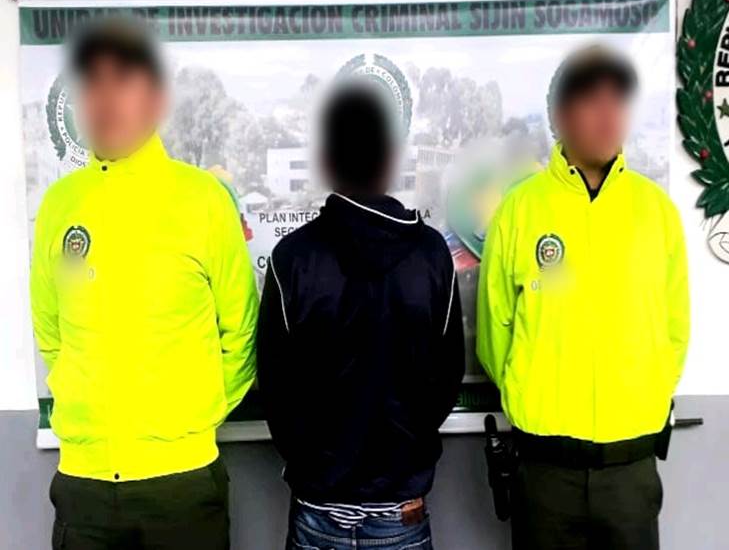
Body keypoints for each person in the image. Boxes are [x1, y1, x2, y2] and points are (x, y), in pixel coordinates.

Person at [30, 18, 258, 550]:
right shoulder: (60, 205)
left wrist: (188, 420)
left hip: (182, 484)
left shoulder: (202, 199)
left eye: (122, 81)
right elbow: (51, 332)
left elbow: (243, 332)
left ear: (154, 99)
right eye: (92, 83)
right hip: (84, 486)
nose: (105, 100)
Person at [477, 45, 690, 550]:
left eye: (617, 101)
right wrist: (531, 393)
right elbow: (494, 332)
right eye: (591, 101)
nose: (607, 115)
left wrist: (640, 399)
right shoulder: (519, 210)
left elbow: (674, 330)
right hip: (545, 472)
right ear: (558, 115)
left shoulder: (656, 212)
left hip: (630, 471)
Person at [257, 82, 465, 550]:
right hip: (400, 511)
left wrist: (317, 465)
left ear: (325, 162)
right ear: (391, 160)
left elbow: (275, 386)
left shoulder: (293, 256)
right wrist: (404, 451)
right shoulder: (431, 253)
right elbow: (447, 376)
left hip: (318, 508)